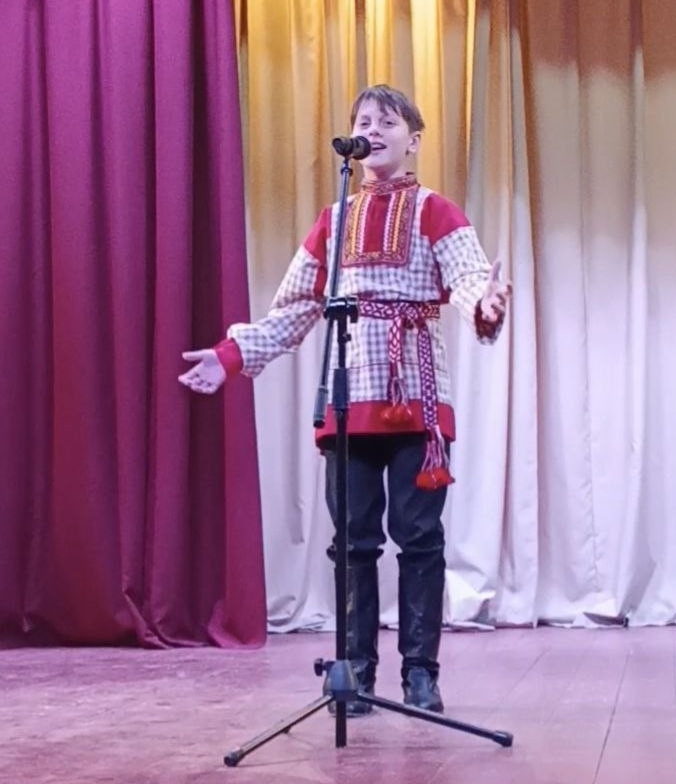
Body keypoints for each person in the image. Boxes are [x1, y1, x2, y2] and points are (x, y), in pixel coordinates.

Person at [179, 84, 511, 715]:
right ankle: (354, 670)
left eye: (387, 122)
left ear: (414, 139)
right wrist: (230, 356)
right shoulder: (333, 221)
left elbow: (469, 278)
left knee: (419, 537)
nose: (373, 131)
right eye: (364, 121)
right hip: (350, 398)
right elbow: (294, 308)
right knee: (353, 542)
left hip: (417, 398)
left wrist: (486, 304)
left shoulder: (436, 211)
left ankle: (420, 674)